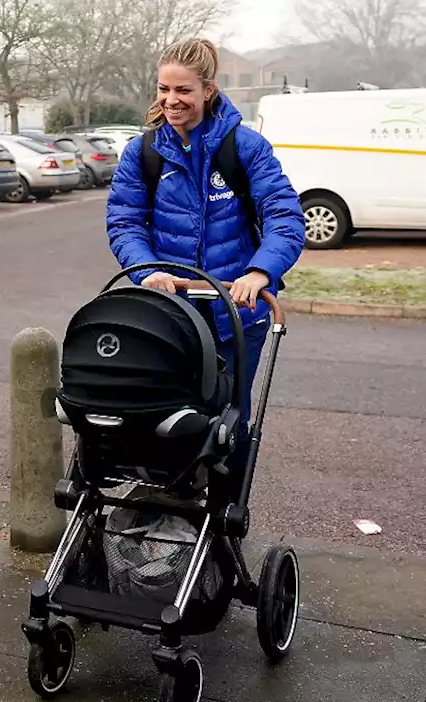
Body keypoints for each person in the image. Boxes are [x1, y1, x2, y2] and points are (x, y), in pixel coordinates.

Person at [105, 38, 304, 499]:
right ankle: (171, 508)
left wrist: (259, 273)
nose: (171, 100)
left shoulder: (245, 148)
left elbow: (285, 217)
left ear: (208, 90)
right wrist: (145, 270)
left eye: (184, 91)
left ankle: (223, 516)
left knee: (229, 418)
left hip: (236, 312)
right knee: (167, 412)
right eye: (163, 89)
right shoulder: (145, 152)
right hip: (171, 313)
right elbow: (125, 221)